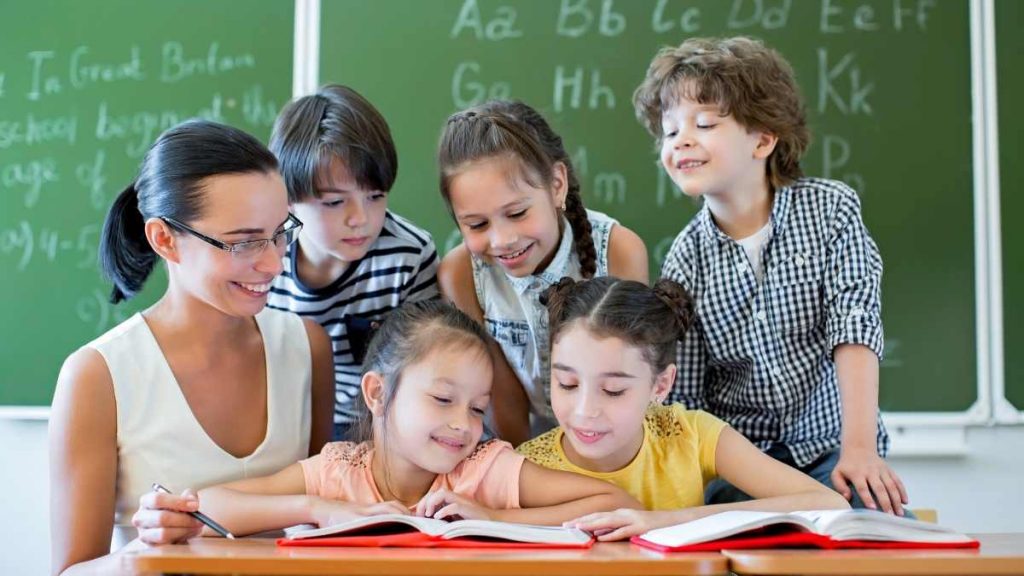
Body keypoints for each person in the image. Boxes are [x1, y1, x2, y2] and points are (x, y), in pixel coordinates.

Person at [634, 36, 909, 514]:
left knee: (870, 531)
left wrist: (859, 449)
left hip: (833, 450)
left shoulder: (831, 210)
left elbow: (855, 324)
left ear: (763, 139)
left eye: (703, 124)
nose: (680, 140)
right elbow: (687, 401)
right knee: (747, 542)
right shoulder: (685, 260)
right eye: (669, 130)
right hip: (743, 466)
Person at [49, 120, 334, 575]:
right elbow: (71, 572)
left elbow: (325, 526)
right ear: (164, 239)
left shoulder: (307, 347)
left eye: (281, 232)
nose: (274, 261)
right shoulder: (97, 375)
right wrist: (143, 554)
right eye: (244, 242)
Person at [197, 300, 640, 534]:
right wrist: (318, 510)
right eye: (443, 399)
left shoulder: (484, 471)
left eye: (477, 409)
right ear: (377, 392)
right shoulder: (337, 473)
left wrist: (495, 520)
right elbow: (207, 507)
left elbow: (617, 503)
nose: (463, 426)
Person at [518, 277, 849, 541]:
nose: (584, 411)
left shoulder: (689, 433)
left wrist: (665, 521)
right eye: (567, 384)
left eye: (613, 390)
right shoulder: (524, 467)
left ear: (660, 385)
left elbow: (827, 502)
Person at [436, 100, 648, 444]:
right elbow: (501, 392)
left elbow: (631, 382)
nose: (502, 240)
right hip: (526, 440)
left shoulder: (619, 252)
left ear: (557, 184)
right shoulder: (459, 274)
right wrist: (527, 471)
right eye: (477, 224)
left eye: (517, 213)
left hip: (612, 437)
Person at [267, 84, 439, 440]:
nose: (360, 218)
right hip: (282, 417)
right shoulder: (265, 254)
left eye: (375, 197)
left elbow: (421, 366)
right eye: (334, 202)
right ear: (288, 200)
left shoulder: (409, 254)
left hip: (373, 424)